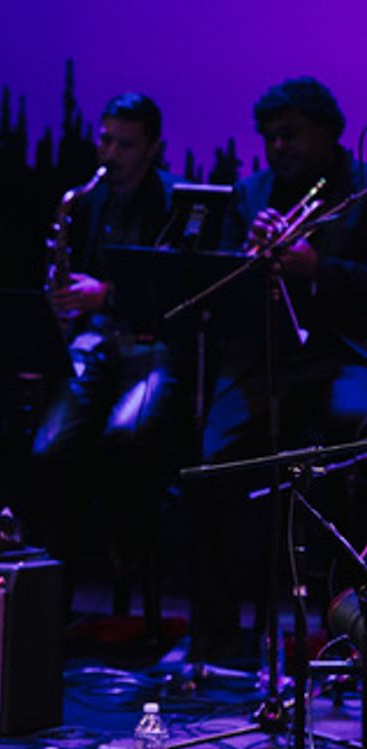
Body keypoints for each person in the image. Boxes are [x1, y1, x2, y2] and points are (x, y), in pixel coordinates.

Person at [193, 77, 367, 662]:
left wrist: (317, 266)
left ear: (328, 132)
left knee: (355, 435)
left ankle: (348, 625)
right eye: (269, 138)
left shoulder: (362, 190)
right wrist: (252, 263)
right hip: (268, 358)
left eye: (290, 135)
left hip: (343, 353)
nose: (277, 149)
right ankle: (216, 637)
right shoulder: (252, 193)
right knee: (213, 458)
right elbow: (218, 284)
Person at [31, 93, 191, 616]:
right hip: (95, 343)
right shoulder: (87, 199)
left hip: (152, 346)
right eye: (106, 139)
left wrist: (108, 294)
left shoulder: (175, 201)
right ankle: (55, 581)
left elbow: (180, 290)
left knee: (126, 435)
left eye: (125, 144)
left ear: (153, 148)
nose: (111, 153)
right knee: (48, 449)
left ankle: (130, 548)